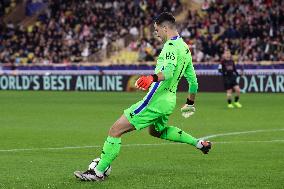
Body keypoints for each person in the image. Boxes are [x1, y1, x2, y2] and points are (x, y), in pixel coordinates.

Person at [74, 12, 212, 182]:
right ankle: (199, 143)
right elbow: (193, 82)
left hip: (155, 100)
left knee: (115, 130)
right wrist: (190, 102)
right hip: (169, 101)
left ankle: (98, 171)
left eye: (156, 30)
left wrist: (151, 78)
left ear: (165, 28)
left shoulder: (170, 46)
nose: (156, 33)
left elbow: (168, 72)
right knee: (157, 131)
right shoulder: (185, 48)